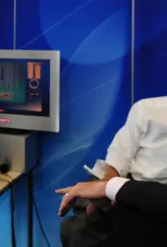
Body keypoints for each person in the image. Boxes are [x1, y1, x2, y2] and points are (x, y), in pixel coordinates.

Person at [59, 96, 167, 247]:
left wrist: (109, 188)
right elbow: (120, 155)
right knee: (75, 226)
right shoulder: (147, 110)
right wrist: (106, 184)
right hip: (129, 190)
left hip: (148, 206)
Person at [56, 178, 166, 246]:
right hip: (134, 189)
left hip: (148, 205)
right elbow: (116, 161)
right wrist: (104, 186)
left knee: (73, 230)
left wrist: (108, 188)